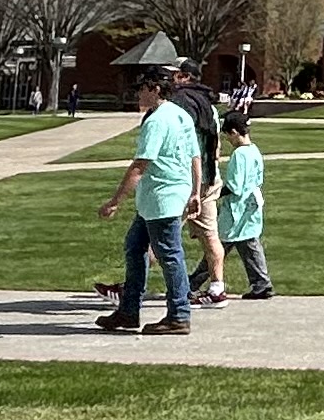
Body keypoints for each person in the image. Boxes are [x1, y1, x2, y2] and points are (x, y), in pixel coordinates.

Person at [93, 68, 201, 335]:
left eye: (142, 88)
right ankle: (129, 310)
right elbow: (194, 156)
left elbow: (140, 165)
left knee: (170, 255)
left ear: (156, 89)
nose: (139, 93)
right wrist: (195, 191)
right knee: (135, 246)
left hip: (162, 197)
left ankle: (179, 315)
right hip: (161, 197)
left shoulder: (157, 121)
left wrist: (115, 201)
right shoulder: (181, 115)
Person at [174, 64, 229, 304]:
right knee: (211, 236)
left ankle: (132, 286)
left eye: (176, 74)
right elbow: (216, 147)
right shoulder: (210, 105)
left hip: (188, 181)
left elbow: (185, 146)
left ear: (185, 76)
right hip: (210, 178)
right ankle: (217, 288)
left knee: (162, 232)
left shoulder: (182, 102)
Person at [216, 109, 275, 300]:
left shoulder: (239, 155)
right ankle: (261, 283)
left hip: (236, 209)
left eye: (227, 135)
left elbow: (234, 185)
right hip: (251, 206)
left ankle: (192, 283)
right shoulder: (254, 151)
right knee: (250, 244)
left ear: (234, 132)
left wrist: (213, 194)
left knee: (217, 248)